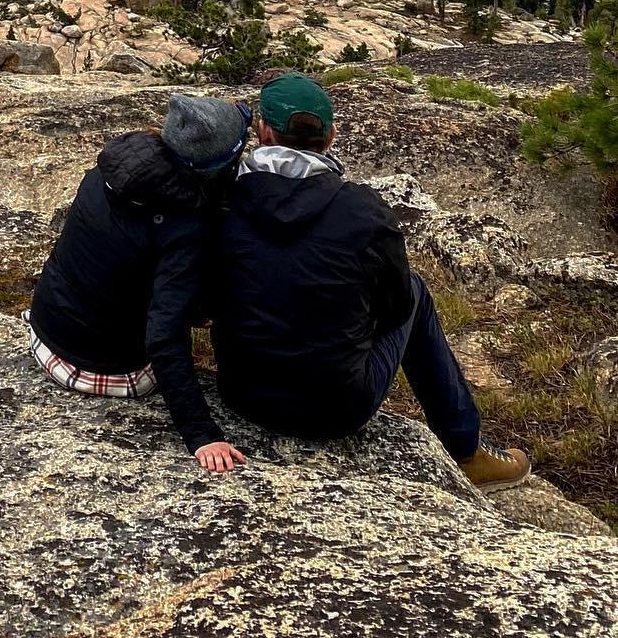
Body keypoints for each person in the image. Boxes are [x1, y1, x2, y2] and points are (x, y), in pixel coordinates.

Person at [210, 71, 531, 492]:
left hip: (240, 392)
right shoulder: (362, 211)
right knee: (414, 290)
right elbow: (395, 309)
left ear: (263, 131)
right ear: (331, 136)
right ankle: (466, 450)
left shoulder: (221, 199)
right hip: (336, 409)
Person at [27, 93, 251, 473]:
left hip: (46, 333)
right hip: (105, 369)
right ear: (217, 167)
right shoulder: (185, 225)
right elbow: (163, 335)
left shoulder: (112, 170)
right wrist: (201, 433)